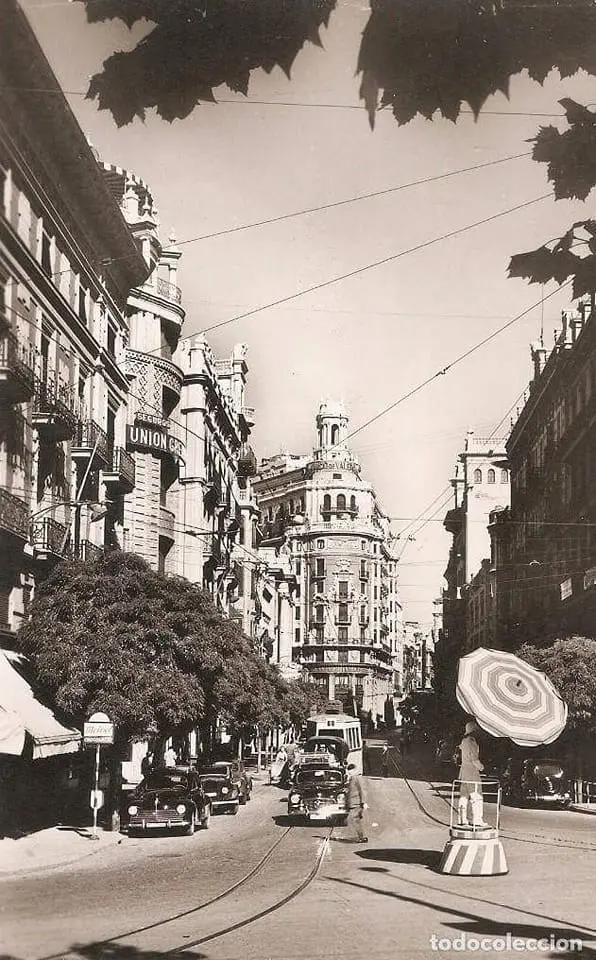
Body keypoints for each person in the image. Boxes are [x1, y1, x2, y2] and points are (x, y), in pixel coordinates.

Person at [457, 721, 486, 828]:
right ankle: (477, 820)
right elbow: (474, 759)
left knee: (463, 796)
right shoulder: (472, 742)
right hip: (472, 772)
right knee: (476, 796)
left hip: (463, 772)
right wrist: (481, 767)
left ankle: (462, 819)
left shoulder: (464, 741)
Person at [345, 763, 368, 843]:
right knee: (355, 820)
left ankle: (361, 837)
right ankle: (361, 836)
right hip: (353, 803)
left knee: (354, 819)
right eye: (348, 771)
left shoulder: (357, 778)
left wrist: (363, 802)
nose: (349, 773)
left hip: (356, 803)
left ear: (354, 770)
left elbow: (362, 790)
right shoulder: (352, 778)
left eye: (350, 771)